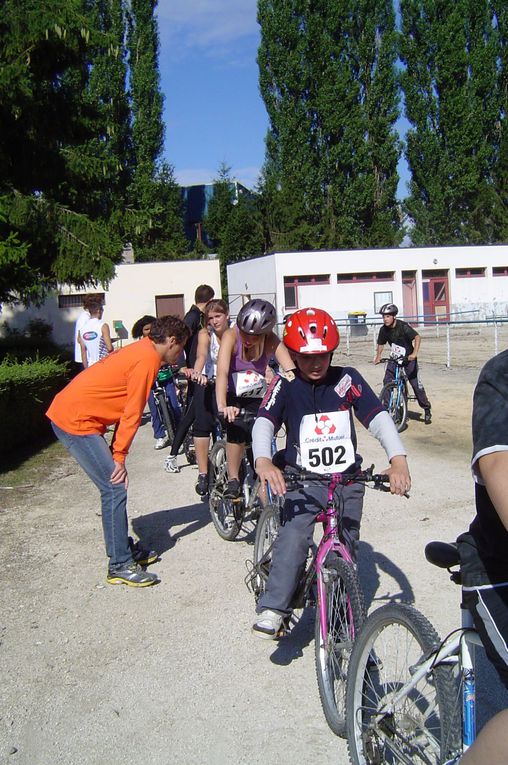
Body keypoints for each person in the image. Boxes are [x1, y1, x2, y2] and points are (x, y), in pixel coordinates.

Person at [251, 307, 411, 638]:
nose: (315, 363)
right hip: (302, 477)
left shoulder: (346, 378)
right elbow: (265, 422)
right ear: (293, 354)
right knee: (295, 534)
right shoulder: (286, 383)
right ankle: (275, 605)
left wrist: (398, 459)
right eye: (306, 356)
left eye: (323, 355)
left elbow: (377, 416)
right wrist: (263, 461)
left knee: (347, 546)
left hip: (346, 478)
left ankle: (339, 622)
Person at [46, 316, 190, 587]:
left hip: (79, 416)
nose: (180, 353)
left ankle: (121, 548)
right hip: (75, 421)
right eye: (181, 347)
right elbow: (132, 412)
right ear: (171, 341)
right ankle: (120, 564)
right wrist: (119, 456)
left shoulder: (143, 349)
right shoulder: (147, 360)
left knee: (114, 485)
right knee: (114, 487)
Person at [215, 298, 294, 500]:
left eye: (255, 336)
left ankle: (264, 497)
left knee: (263, 433)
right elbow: (222, 372)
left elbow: (290, 370)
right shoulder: (231, 336)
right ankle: (233, 478)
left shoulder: (271, 341)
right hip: (232, 394)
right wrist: (222, 405)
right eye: (245, 333)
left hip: (256, 394)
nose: (249, 339)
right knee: (237, 428)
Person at [164, 299, 230, 496]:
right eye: (210, 318)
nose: (214, 321)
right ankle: (203, 473)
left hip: (230, 384)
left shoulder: (235, 333)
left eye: (218, 316)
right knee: (201, 425)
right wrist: (197, 372)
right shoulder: (205, 334)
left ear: (227, 315)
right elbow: (201, 355)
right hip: (208, 382)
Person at [373, 303, 432, 424]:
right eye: (383, 316)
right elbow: (381, 343)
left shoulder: (403, 326)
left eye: (388, 316)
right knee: (387, 382)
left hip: (408, 358)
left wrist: (414, 354)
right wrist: (378, 356)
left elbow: (417, 337)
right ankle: (386, 409)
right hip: (395, 357)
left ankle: (426, 408)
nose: (385, 319)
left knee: (415, 385)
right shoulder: (383, 329)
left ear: (394, 316)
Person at [132, 315, 181, 450]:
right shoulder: (140, 345)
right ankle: (160, 435)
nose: (149, 331)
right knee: (154, 409)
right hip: (150, 381)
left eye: (151, 328)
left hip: (166, 377)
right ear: (141, 331)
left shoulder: (161, 340)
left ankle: (180, 433)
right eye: (146, 329)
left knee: (174, 405)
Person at [78, 298, 113, 368]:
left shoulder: (82, 329)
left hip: (91, 365)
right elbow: (109, 348)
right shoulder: (103, 326)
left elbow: (83, 352)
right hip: (104, 363)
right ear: (98, 311)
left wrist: (86, 369)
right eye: (102, 311)